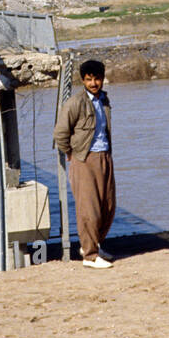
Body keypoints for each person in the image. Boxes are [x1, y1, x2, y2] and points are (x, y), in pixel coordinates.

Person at [52, 59, 117, 269]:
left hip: (104, 156)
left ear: (102, 79)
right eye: (89, 80)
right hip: (84, 160)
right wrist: (71, 153)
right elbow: (60, 134)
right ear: (83, 80)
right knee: (88, 209)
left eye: (97, 79)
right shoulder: (74, 103)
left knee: (108, 206)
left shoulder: (104, 100)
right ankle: (90, 256)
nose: (93, 83)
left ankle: (92, 244)